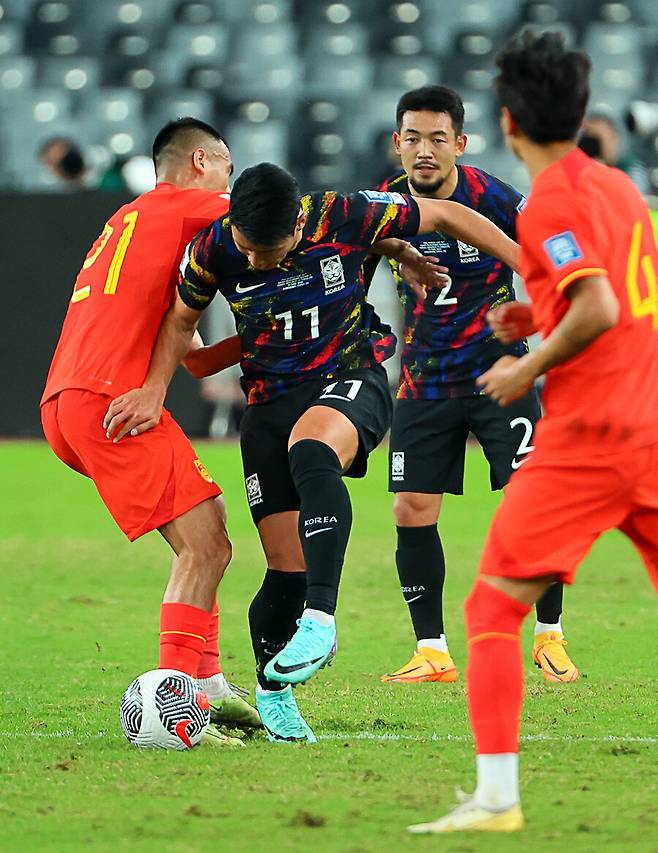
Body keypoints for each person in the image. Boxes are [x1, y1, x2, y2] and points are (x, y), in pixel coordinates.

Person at [102, 162, 520, 744]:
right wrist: (153, 388)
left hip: (350, 376)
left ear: (299, 225)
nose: (254, 262)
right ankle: (274, 694)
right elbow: (180, 323)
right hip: (267, 401)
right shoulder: (213, 248)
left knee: (313, 447)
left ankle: (321, 620)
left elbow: (447, 213)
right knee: (282, 570)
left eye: (267, 251)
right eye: (247, 249)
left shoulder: (342, 213)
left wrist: (534, 271)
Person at [409, 30, 658, 834]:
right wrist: (535, 310)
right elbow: (609, 293)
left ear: (508, 124)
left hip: (590, 439)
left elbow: (598, 308)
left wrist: (526, 362)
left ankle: (496, 799)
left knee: (490, 609)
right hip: (651, 427)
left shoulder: (545, 199)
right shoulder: (620, 187)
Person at [40, 117, 259, 745]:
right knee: (206, 547)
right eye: (226, 168)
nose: (230, 185)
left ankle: (209, 684)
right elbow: (282, 214)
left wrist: (263, 341)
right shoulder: (195, 207)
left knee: (208, 517)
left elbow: (192, 357)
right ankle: (173, 704)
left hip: (70, 401)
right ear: (200, 161)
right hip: (114, 401)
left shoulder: (132, 223)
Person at [363, 86, 577, 686]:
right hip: (424, 382)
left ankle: (550, 636)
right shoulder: (384, 202)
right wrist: (391, 246)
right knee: (410, 509)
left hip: (498, 374)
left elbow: (552, 250)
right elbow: (345, 244)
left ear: (459, 144)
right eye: (412, 138)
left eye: (437, 139)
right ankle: (432, 651)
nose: (424, 150)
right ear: (397, 143)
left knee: (534, 500)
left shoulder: (494, 197)